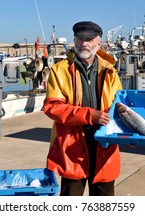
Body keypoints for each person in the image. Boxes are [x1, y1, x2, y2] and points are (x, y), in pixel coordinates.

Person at [44, 21, 123, 196]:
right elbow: (53, 107)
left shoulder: (110, 71)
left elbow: (119, 107)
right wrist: (90, 115)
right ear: (74, 41)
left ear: (99, 43)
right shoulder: (59, 70)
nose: (84, 43)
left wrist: (128, 133)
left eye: (89, 39)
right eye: (80, 39)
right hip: (72, 144)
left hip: (104, 144)